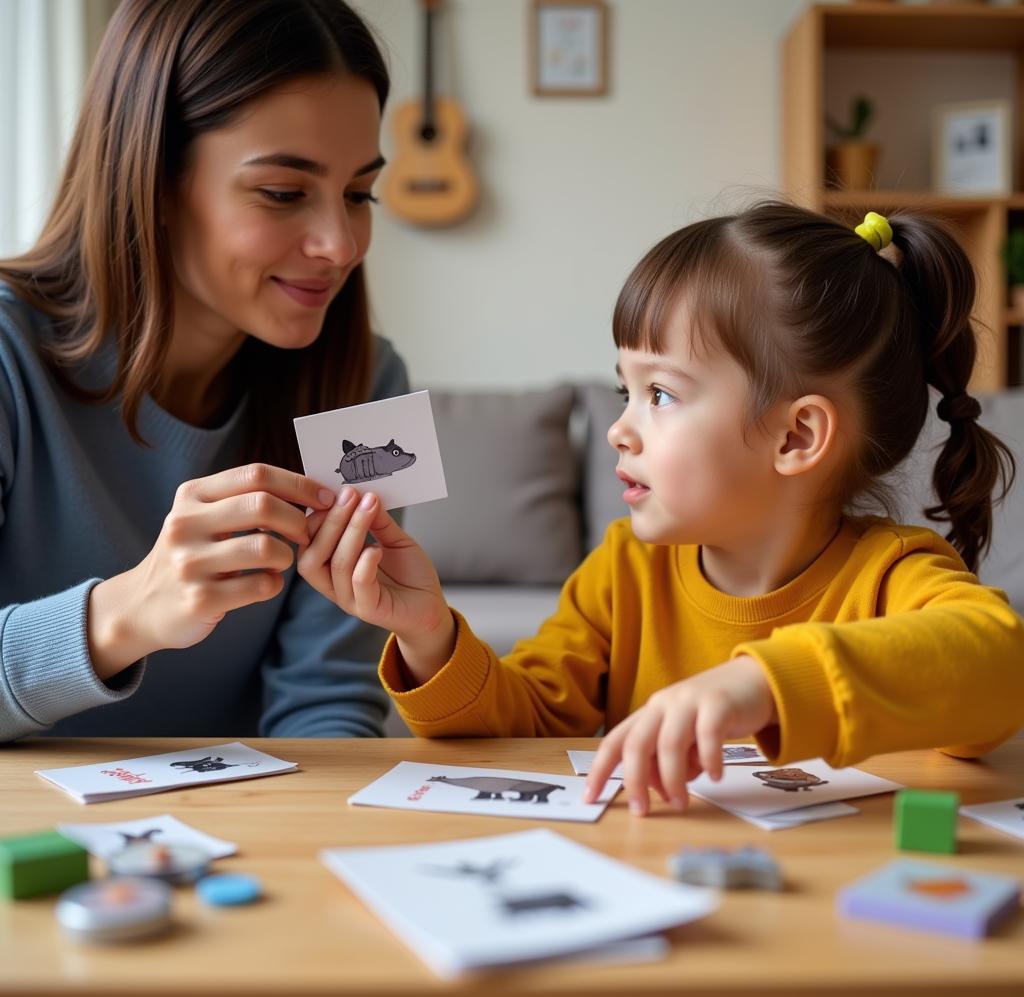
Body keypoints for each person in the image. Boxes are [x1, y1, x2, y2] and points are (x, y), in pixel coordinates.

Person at [297, 202, 1024, 815]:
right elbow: (528, 724)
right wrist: (429, 634)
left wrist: (762, 683)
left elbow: (998, 666)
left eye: (662, 394)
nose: (619, 427)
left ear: (797, 435)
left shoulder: (889, 575)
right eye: (626, 390)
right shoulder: (626, 569)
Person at [0, 0, 409, 742]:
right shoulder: (7, 358)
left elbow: (331, 704)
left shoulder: (370, 386)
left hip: (242, 842)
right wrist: (126, 613)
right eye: (284, 193)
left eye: (359, 194)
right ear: (153, 180)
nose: (340, 244)